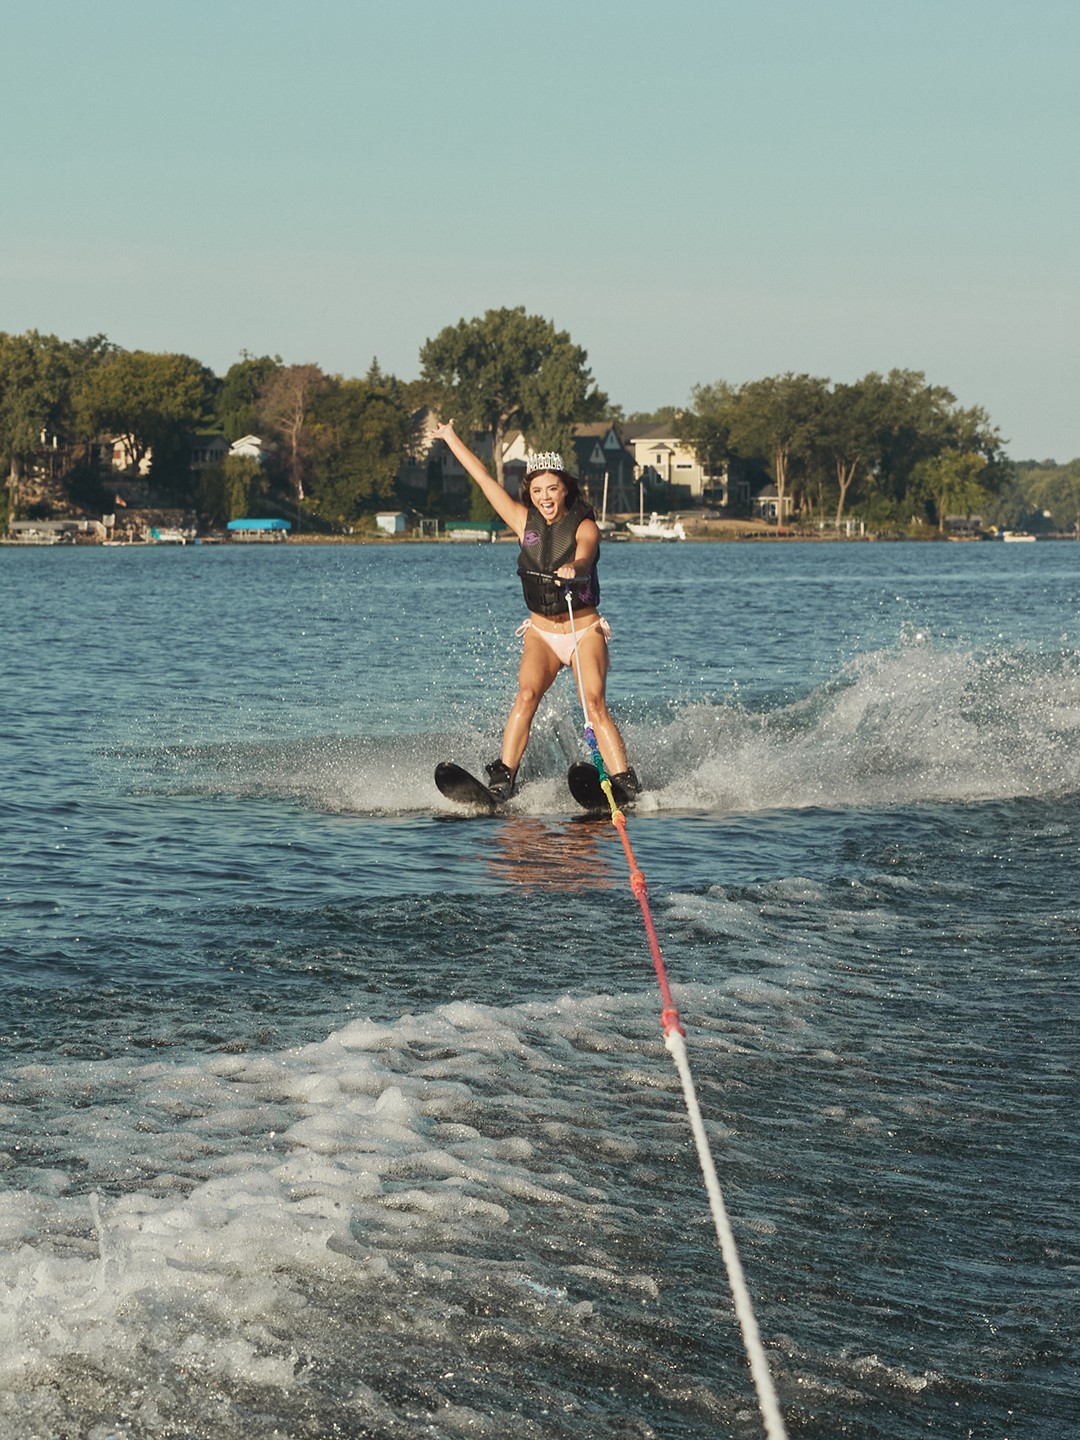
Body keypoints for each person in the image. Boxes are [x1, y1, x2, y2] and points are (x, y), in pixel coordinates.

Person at [432, 418, 640, 802]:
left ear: (565, 490)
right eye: (538, 490)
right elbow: (483, 479)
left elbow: (585, 557)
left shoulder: (585, 526)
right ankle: (503, 780)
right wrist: (450, 438)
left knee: (593, 702)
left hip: (583, 630)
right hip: (541, 632)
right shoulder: (521, 521)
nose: (545, 497)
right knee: (526, 695)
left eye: (553, 489)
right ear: (530, 492)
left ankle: (624, 780)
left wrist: (573, 570)